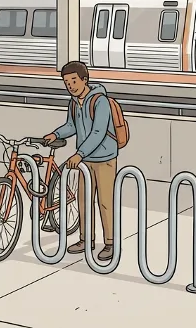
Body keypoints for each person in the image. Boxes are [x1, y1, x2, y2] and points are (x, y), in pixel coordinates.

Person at [43, 61, 117, 261]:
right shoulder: (74, 102)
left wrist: (79, 154)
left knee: (105, 202)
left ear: (85, 80)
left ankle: (110, 243)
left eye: (73, 81)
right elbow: (71, 125)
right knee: (84, 201)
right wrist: (55, 134)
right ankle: (86, 239)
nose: (70, 86)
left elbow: (98, 132)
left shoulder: (100, 101)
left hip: (104, 158)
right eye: (67, 82)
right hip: (85, 160)